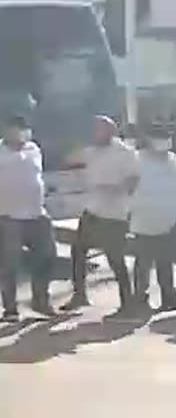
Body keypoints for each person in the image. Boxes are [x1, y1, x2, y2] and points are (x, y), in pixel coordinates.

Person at [0, 114, 55, 322]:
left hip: (36, 214)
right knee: (9, 264)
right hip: (7, 216)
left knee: (47, 256)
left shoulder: (33, 149)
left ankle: (41, 300)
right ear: (4, 130)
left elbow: (37, 177)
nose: (18, 132)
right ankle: (10, 309)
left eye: (22, 128)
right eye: (13, 128)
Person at [62, 116, 138, 316]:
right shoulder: (91, 151)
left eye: (99, 130)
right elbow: (70, 160)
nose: (95, 133)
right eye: (93, 130)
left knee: (116, 259)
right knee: (78, 251)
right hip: (92, 210)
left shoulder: (125, 153)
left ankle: (127, 303)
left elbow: (133, 182)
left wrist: (114, 189)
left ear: (110, 131)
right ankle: (79, 295)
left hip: (114, 215)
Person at [129, 124, 176, 312]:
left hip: (169, 222)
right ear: (148, 139)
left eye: (167, 137)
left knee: (166, 263)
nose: (164, 141)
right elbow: (128, 185)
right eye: (159, 137)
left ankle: (168, 298)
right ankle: (140, 299)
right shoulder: (137, 159)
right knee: (143, 264)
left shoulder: (173, 160)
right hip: (144, 221)